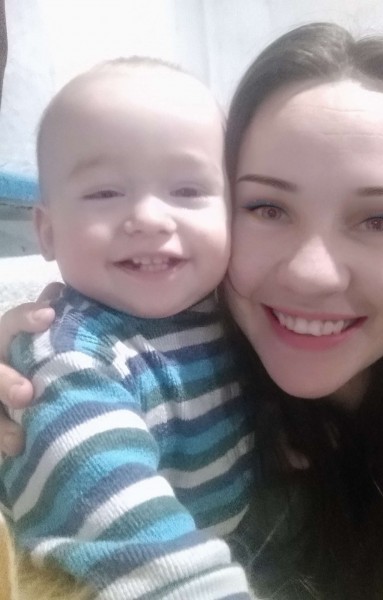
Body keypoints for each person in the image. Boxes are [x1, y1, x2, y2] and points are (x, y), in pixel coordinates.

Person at [1, 21, 383, 599]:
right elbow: (124, 529)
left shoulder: (205, 328)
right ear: (46, 229)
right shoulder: (82, 361)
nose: (311, 273)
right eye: (266, 207)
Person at [0, 57, 254, 599]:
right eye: (104, 193)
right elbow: (127, 536)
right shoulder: (69, 360)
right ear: (47, 231)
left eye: (188, 191)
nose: (150, 218)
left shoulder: (228, 313)